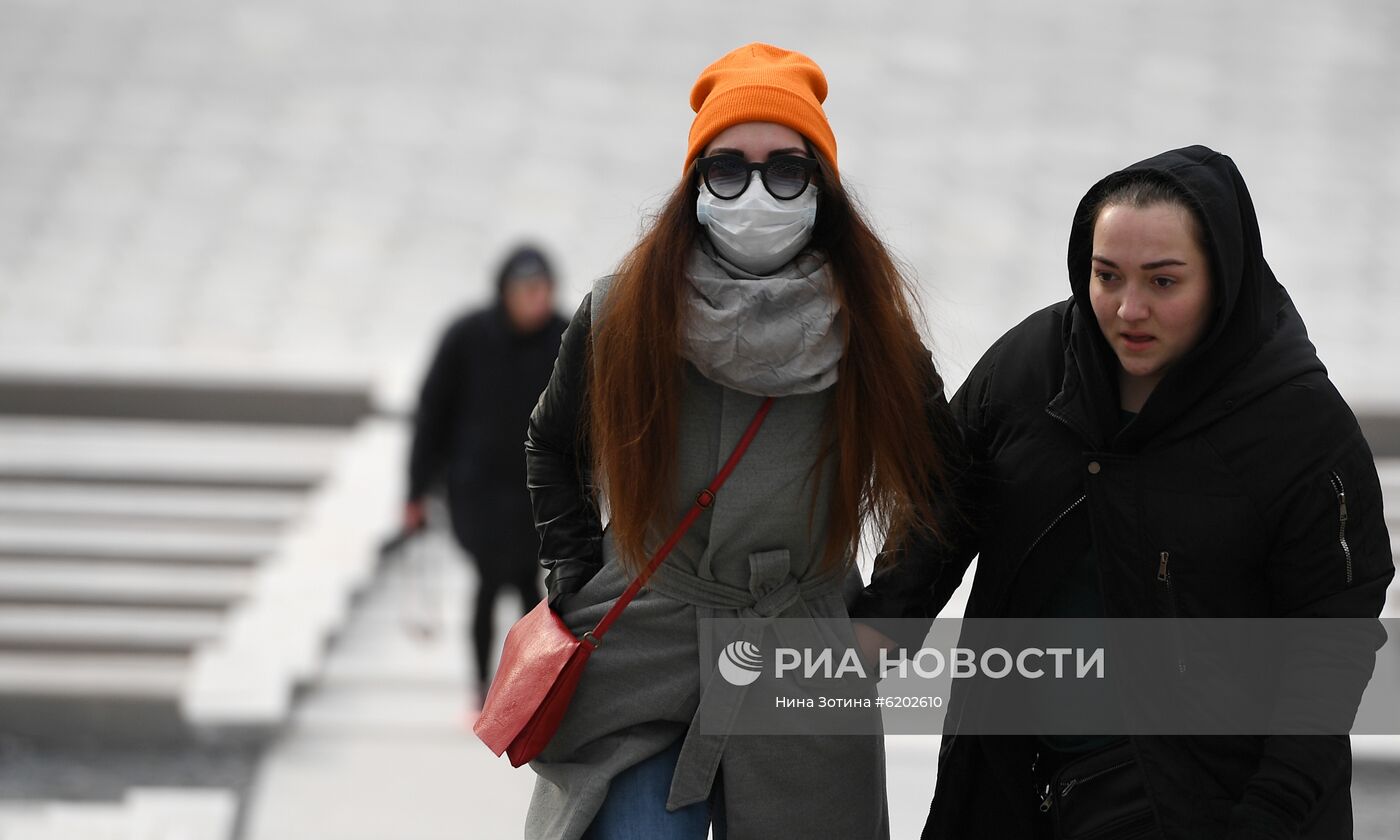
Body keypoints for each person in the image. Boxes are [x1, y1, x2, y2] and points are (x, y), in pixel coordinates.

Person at [850, 145, 1394, 839]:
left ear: (1224, 277)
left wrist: (1271, 812)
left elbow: (1331, 646)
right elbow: (940, 511)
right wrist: (874, 631)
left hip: (1206, 802)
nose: (1128, 309)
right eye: (1107, 277)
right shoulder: (1033, 365)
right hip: (1016, 786)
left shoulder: (1299, 428)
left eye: (1164, 282)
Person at [521, 43, 966, 840]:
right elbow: (554, 445)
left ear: (821, 188)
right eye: (728, 168)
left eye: (785, 169)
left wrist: (883, 629)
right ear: (694, 185)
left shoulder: (871, 329)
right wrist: (576, 576)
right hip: (646, 639)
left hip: (802, 648)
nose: (756, 192)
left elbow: (943, 483)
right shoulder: (623, 311)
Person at [404, 244, 568, 709]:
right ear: (505, 292)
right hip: (476, 490)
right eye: (527, 290)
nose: (537, 299)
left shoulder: (567, 337)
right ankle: (481, 690)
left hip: (539, 491)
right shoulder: (466, 336)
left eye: (544, 290)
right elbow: (431, 414)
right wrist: (416, 490)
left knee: (528, 587)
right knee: (491, 579)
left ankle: (531, 688)